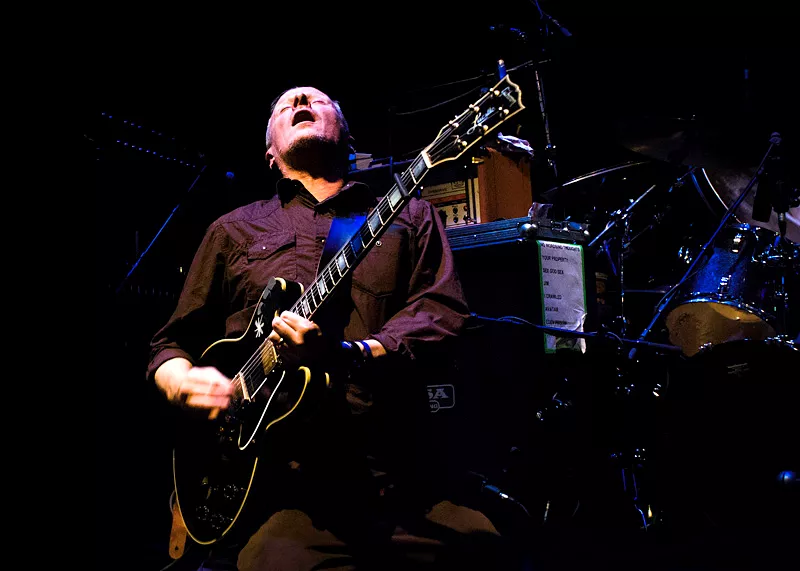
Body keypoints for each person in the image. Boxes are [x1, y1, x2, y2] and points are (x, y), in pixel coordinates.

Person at [147, 86, 523, 570]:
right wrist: (180, 381)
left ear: (347, 136)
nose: (302, 99)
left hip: (400, 475)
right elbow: (170, 343)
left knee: (497, 552)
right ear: (269, 153)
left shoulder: (410, 215)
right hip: (286, 490)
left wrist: (352, 353)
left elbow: (442, 312)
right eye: (285, 105)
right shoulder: (232, 230)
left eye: (319, 101)